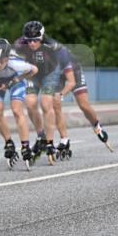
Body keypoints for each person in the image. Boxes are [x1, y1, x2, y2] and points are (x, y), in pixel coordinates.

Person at [13, 20, 74, 163]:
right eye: (29, 40)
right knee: (30, 103)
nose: (32, 43)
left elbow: (67, 65)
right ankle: (41, 135)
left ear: (41, 37)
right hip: (34, 74)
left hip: (50, 74)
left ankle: (50, 142)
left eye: (35, 40)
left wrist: (66, 84)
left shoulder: (53, 46)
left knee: (47, 104)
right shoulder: (20, 44)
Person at [0, 38, 38, 166]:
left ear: (8, 57)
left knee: (16, 110)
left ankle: (25, 145)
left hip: (15, 80)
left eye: (2, 60)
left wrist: (15, 79)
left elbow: (34, 70)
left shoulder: (16, 63)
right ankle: (8, 142)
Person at [52, 46, 112, 156]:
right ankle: (64, 139)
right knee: (55, 104)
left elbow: (71, 83)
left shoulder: (64, 59)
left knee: (83, 105)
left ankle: (97, 126)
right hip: (59, 75)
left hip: (75, 73)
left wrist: (61, 94)